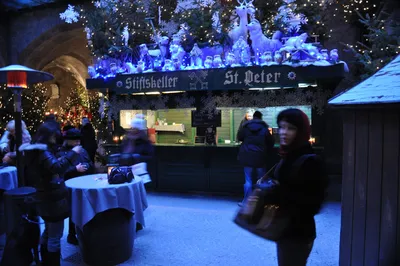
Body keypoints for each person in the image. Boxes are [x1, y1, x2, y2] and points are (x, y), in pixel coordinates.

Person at [258, 108, 328, 266]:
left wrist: (277, 192)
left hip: (298, 233)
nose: (283, 132)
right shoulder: (287, 156)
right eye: (282, 127)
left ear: (301, 131)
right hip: (285, 231)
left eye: (290, 128)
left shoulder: (311, 161)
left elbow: (314, 204)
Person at [19, 122, 84, 266]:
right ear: (49, 135)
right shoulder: (43, 152)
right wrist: (74, 153)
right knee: (55, 235)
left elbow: (48, 169)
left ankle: (45, 261)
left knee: (48, 231)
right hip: (52, 199)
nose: (58, 136)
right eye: (56, 134)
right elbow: (56, 168)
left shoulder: (35, 151)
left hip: (44, 197)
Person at [56, 128, 93, 245]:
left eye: (79, 141)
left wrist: (87, 165)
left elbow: (90, 163)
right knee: (73, 210)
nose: (78, 143)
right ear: (68, 140)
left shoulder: (82, 151)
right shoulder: (61, 153)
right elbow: (60, 170)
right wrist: (75, 169)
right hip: (70, 186)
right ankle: (71, 235)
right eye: (75, 141)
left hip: (84, 183)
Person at [237, 111, 274, 205]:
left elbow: (239, 137)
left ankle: (246, 202)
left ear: (253, 117)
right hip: (260, 156)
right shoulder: (264, 128)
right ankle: (260, 202)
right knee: (261, 180)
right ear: (261, 118)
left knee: (248, 180)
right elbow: (271, 142)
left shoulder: (246, 127)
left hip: (247, 156)